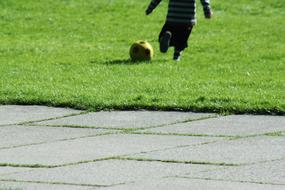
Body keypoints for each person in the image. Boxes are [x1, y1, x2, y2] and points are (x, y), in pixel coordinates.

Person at [146, 0, 213, 61]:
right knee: (181, 40)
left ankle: (163, 41)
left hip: (172, 17)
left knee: (164, 34)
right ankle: (176, 57)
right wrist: (207, 9)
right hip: (187, 20)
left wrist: (151, 8)